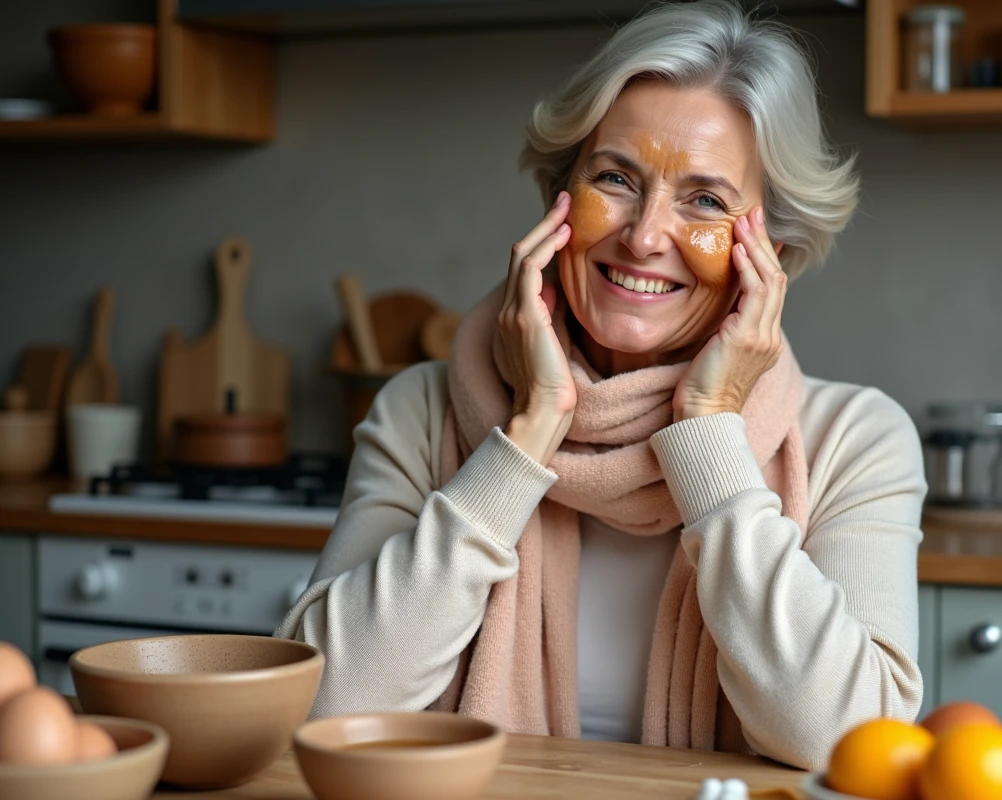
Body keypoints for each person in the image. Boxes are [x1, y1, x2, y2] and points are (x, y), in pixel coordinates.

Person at [277, 0, 925, 770]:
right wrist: (526, 435)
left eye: (705, 201)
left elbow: (851, 743)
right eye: (615, 179)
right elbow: (319, 709)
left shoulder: (854, 439)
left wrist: (710, 432)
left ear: (772, 252)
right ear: (559, 199)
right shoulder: (421, 410)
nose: (645, 236)